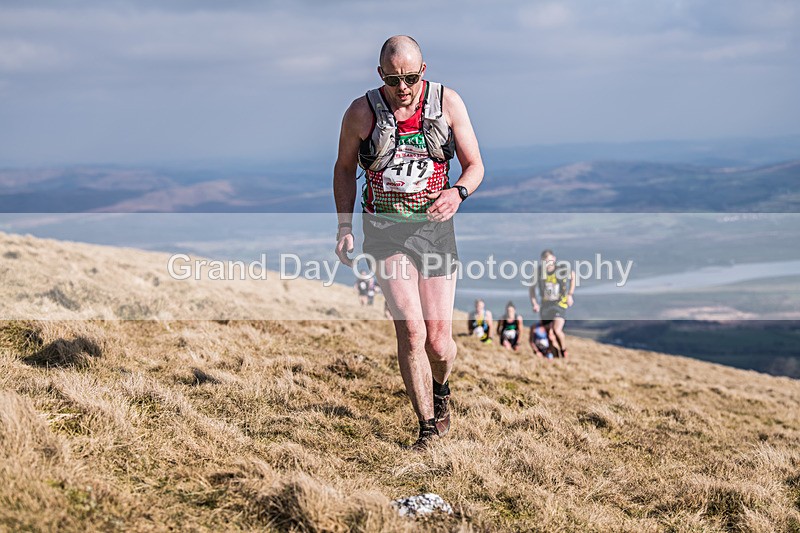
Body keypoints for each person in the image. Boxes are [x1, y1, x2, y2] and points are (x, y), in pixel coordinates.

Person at [333, 36, 484, 451]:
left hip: (434, 230)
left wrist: (458, 192)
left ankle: (442, 388)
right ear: (380, 74)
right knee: (411, 331)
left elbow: (475, 166)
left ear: (424, 70)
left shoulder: (447, 103)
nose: (404, 87)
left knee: (439, 341)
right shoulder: (361, 112)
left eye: (412, 77)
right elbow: (345, 168)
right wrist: (344, 227)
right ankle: (427, 429)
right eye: (395, 78)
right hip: (384, 231)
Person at [529, 249, 575, 359]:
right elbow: (531, 289)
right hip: (545, 305)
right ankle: (556, 358)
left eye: (549, 261)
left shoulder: (561, 269)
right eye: (544, 261)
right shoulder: (539, 272)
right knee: (548, 335)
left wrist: (570, 294)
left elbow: (573, 276)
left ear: (554, 259)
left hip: (559, 303)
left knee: (556, 330)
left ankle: (563, 350)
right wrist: (534, 303)